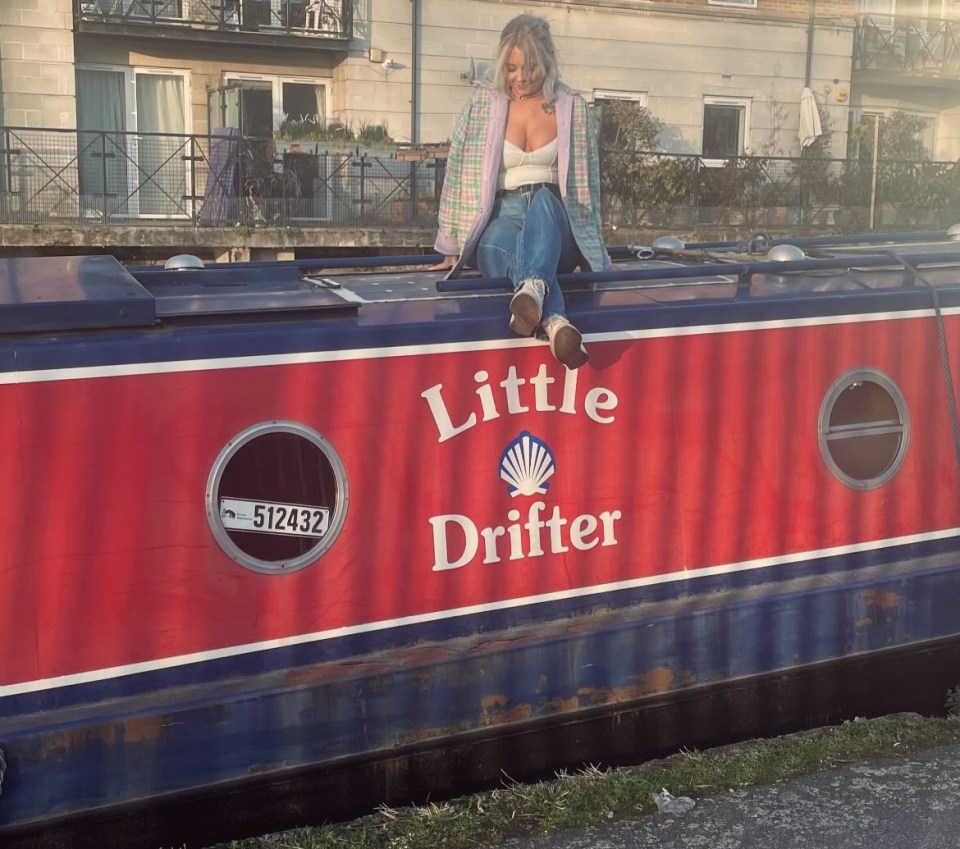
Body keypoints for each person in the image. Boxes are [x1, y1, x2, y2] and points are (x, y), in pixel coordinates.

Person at [431, 13, 609, 370]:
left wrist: (597, 246)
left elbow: (589, 184)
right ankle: (556, 322)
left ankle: (533, 296)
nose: (520, 78)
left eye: (529, 67)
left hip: (555, 222)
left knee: (544, 198)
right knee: (507, 246)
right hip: (501, 216)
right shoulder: (482, 103)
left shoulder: (573, 107)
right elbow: (457, 170)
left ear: (547, 62)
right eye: (511, 68)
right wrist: (450, 243)